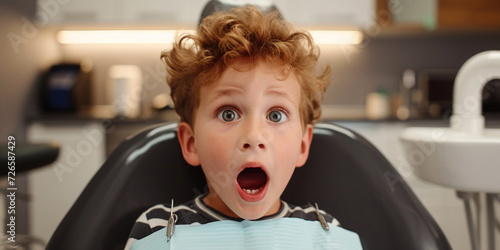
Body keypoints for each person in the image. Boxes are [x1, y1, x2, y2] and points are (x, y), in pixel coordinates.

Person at [125, 5, 362, 249]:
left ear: (302, 145)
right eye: (228, 114)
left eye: (276, 115)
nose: (253, 136)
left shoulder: (324, 233)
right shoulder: (158, 229)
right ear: (192, 143)